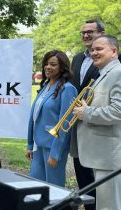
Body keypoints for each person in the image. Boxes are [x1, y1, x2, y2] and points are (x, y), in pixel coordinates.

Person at [73, 34, 121, 210]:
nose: (93, 52)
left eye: (99, 49)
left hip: (109, 157)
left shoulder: (117, 73)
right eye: (92, 49)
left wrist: (86, 113)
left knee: (109, 206)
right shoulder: (104, 73)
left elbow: (119, 111)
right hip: (100, 155)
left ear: (114, 51)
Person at [26, 50, 77, 187]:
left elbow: (65, 123)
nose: (48, 67)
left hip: (53, 146)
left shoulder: (68, 89)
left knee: (54, 188)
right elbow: (34, 117)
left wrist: (55, 153)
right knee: (35, 186)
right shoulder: (45, 87)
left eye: (53, 64)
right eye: (46, 64)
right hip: (39, 145)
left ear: (62, 67)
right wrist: (30, 144)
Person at [70, 19, 105, 210]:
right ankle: (89, 206)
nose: (85, 36)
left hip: (97, 122)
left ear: (102, 32)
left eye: (90, 32)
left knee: (98, 174)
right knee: (80, 168)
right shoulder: (77, 58)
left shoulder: (114, 59)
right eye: (83, 32)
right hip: (76, 121)